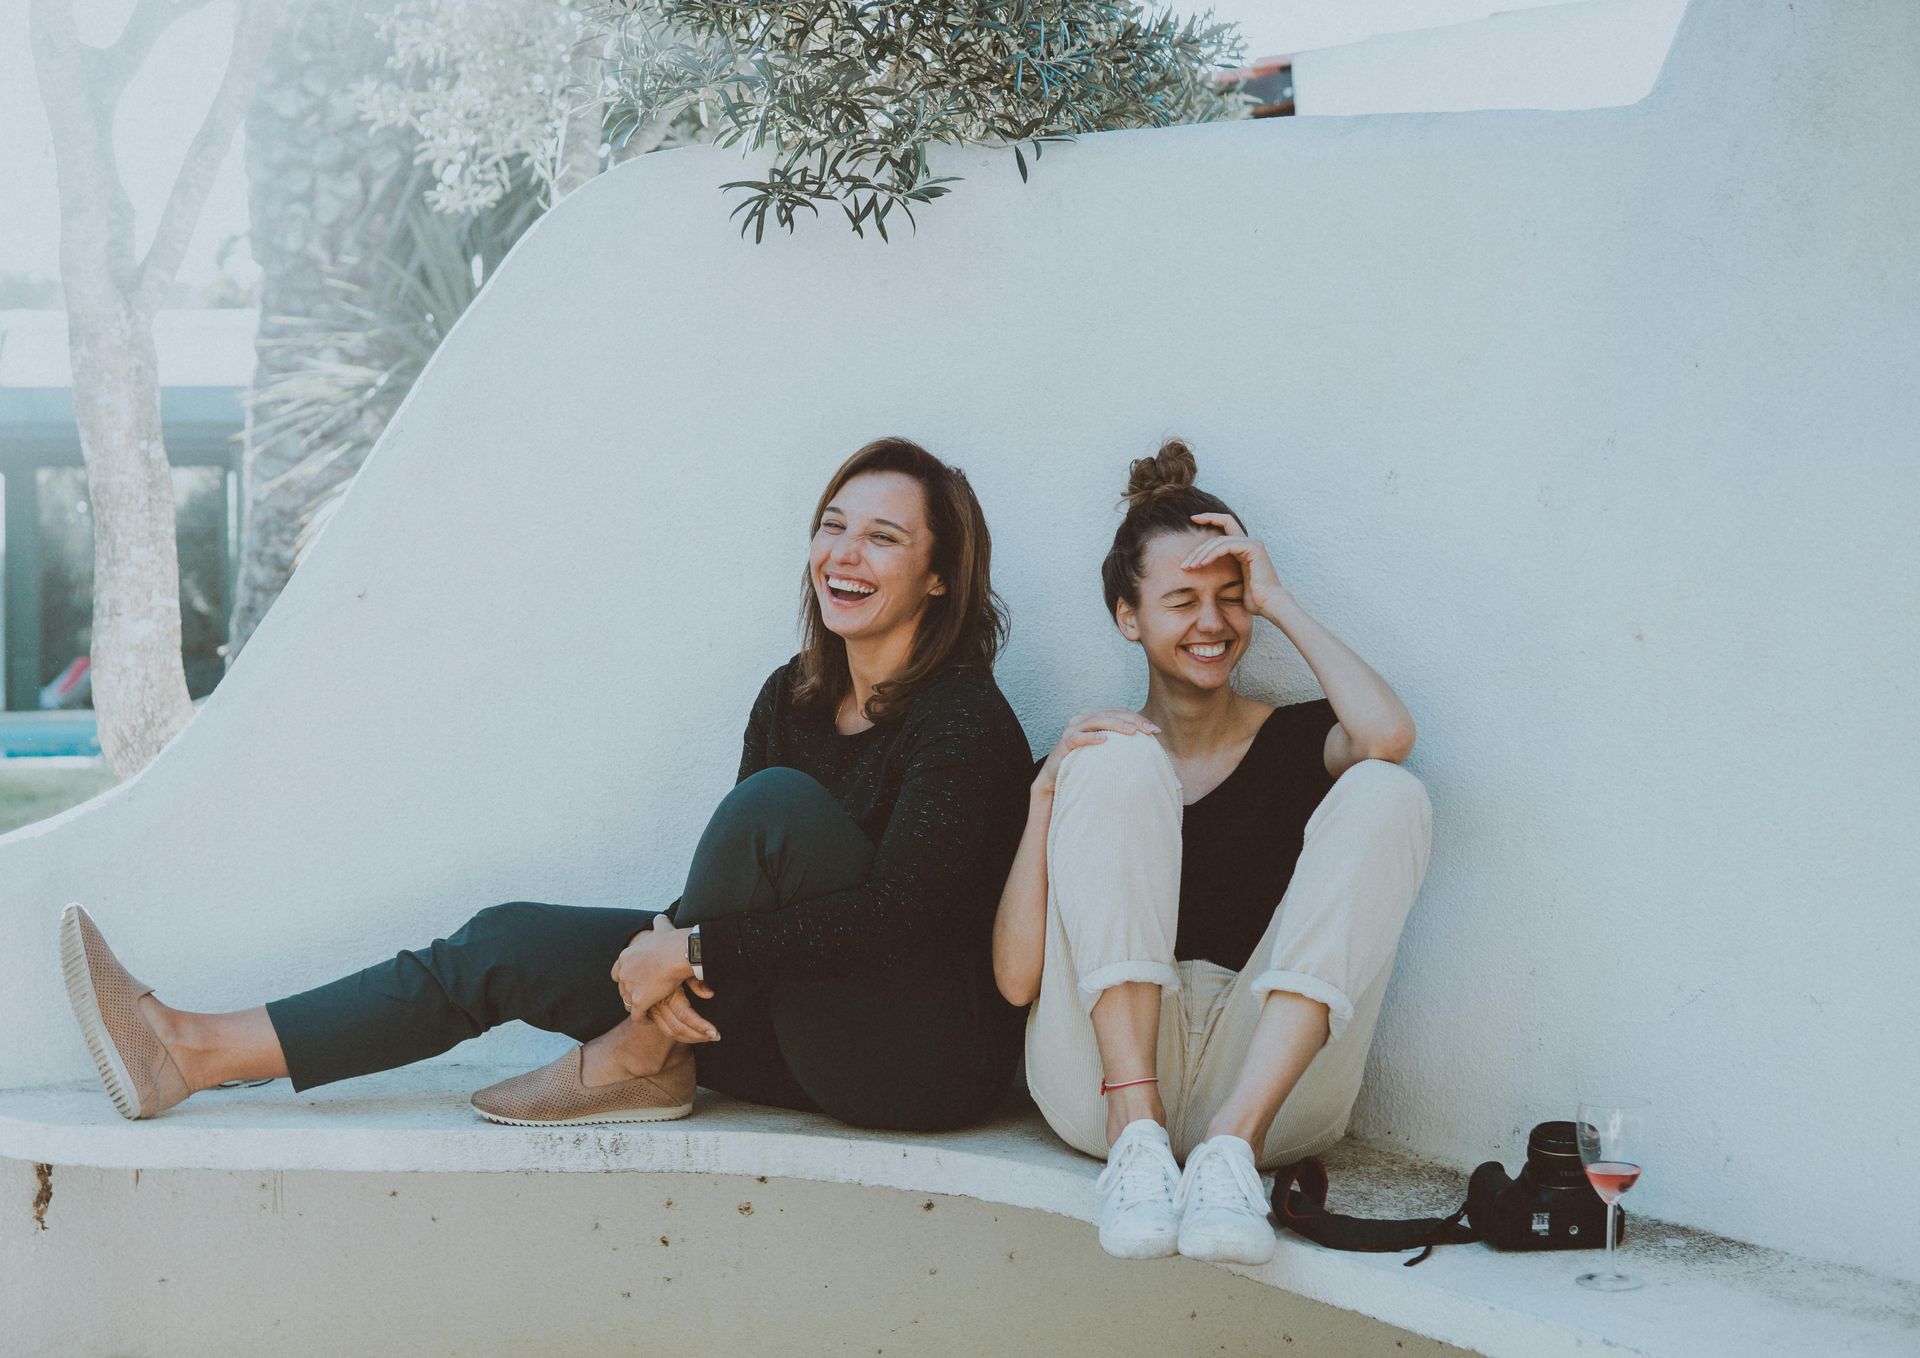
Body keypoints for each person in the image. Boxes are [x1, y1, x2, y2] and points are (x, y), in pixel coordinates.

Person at [62, 437, 1033, 1134]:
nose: (844, 554)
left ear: (939, 576)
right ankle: (190, 1049)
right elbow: (744, 894)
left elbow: (898, 917)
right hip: (789, 1021)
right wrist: (679, 950)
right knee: (503, 940)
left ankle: (640, 1056)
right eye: (833, 525)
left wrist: (689, 944)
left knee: (769, 808)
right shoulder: (796, 694)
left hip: (916, 1062)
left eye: (884, 538)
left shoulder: (962, 717)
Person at [992, 439, 1433, 1264]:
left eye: (1230, 600)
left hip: (1266, 1088)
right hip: (1100, 1087)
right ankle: (1138, 1132)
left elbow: (1388, 735)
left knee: (1388, 789)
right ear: (1129, 617)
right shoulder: (1089, 765)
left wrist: (1280, 602)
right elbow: (1017, 979)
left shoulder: (1298, 738)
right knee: (1115, 757)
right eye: (1182, 599)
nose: (1212, 623)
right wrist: (1045, 793)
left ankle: (1229, 1147)